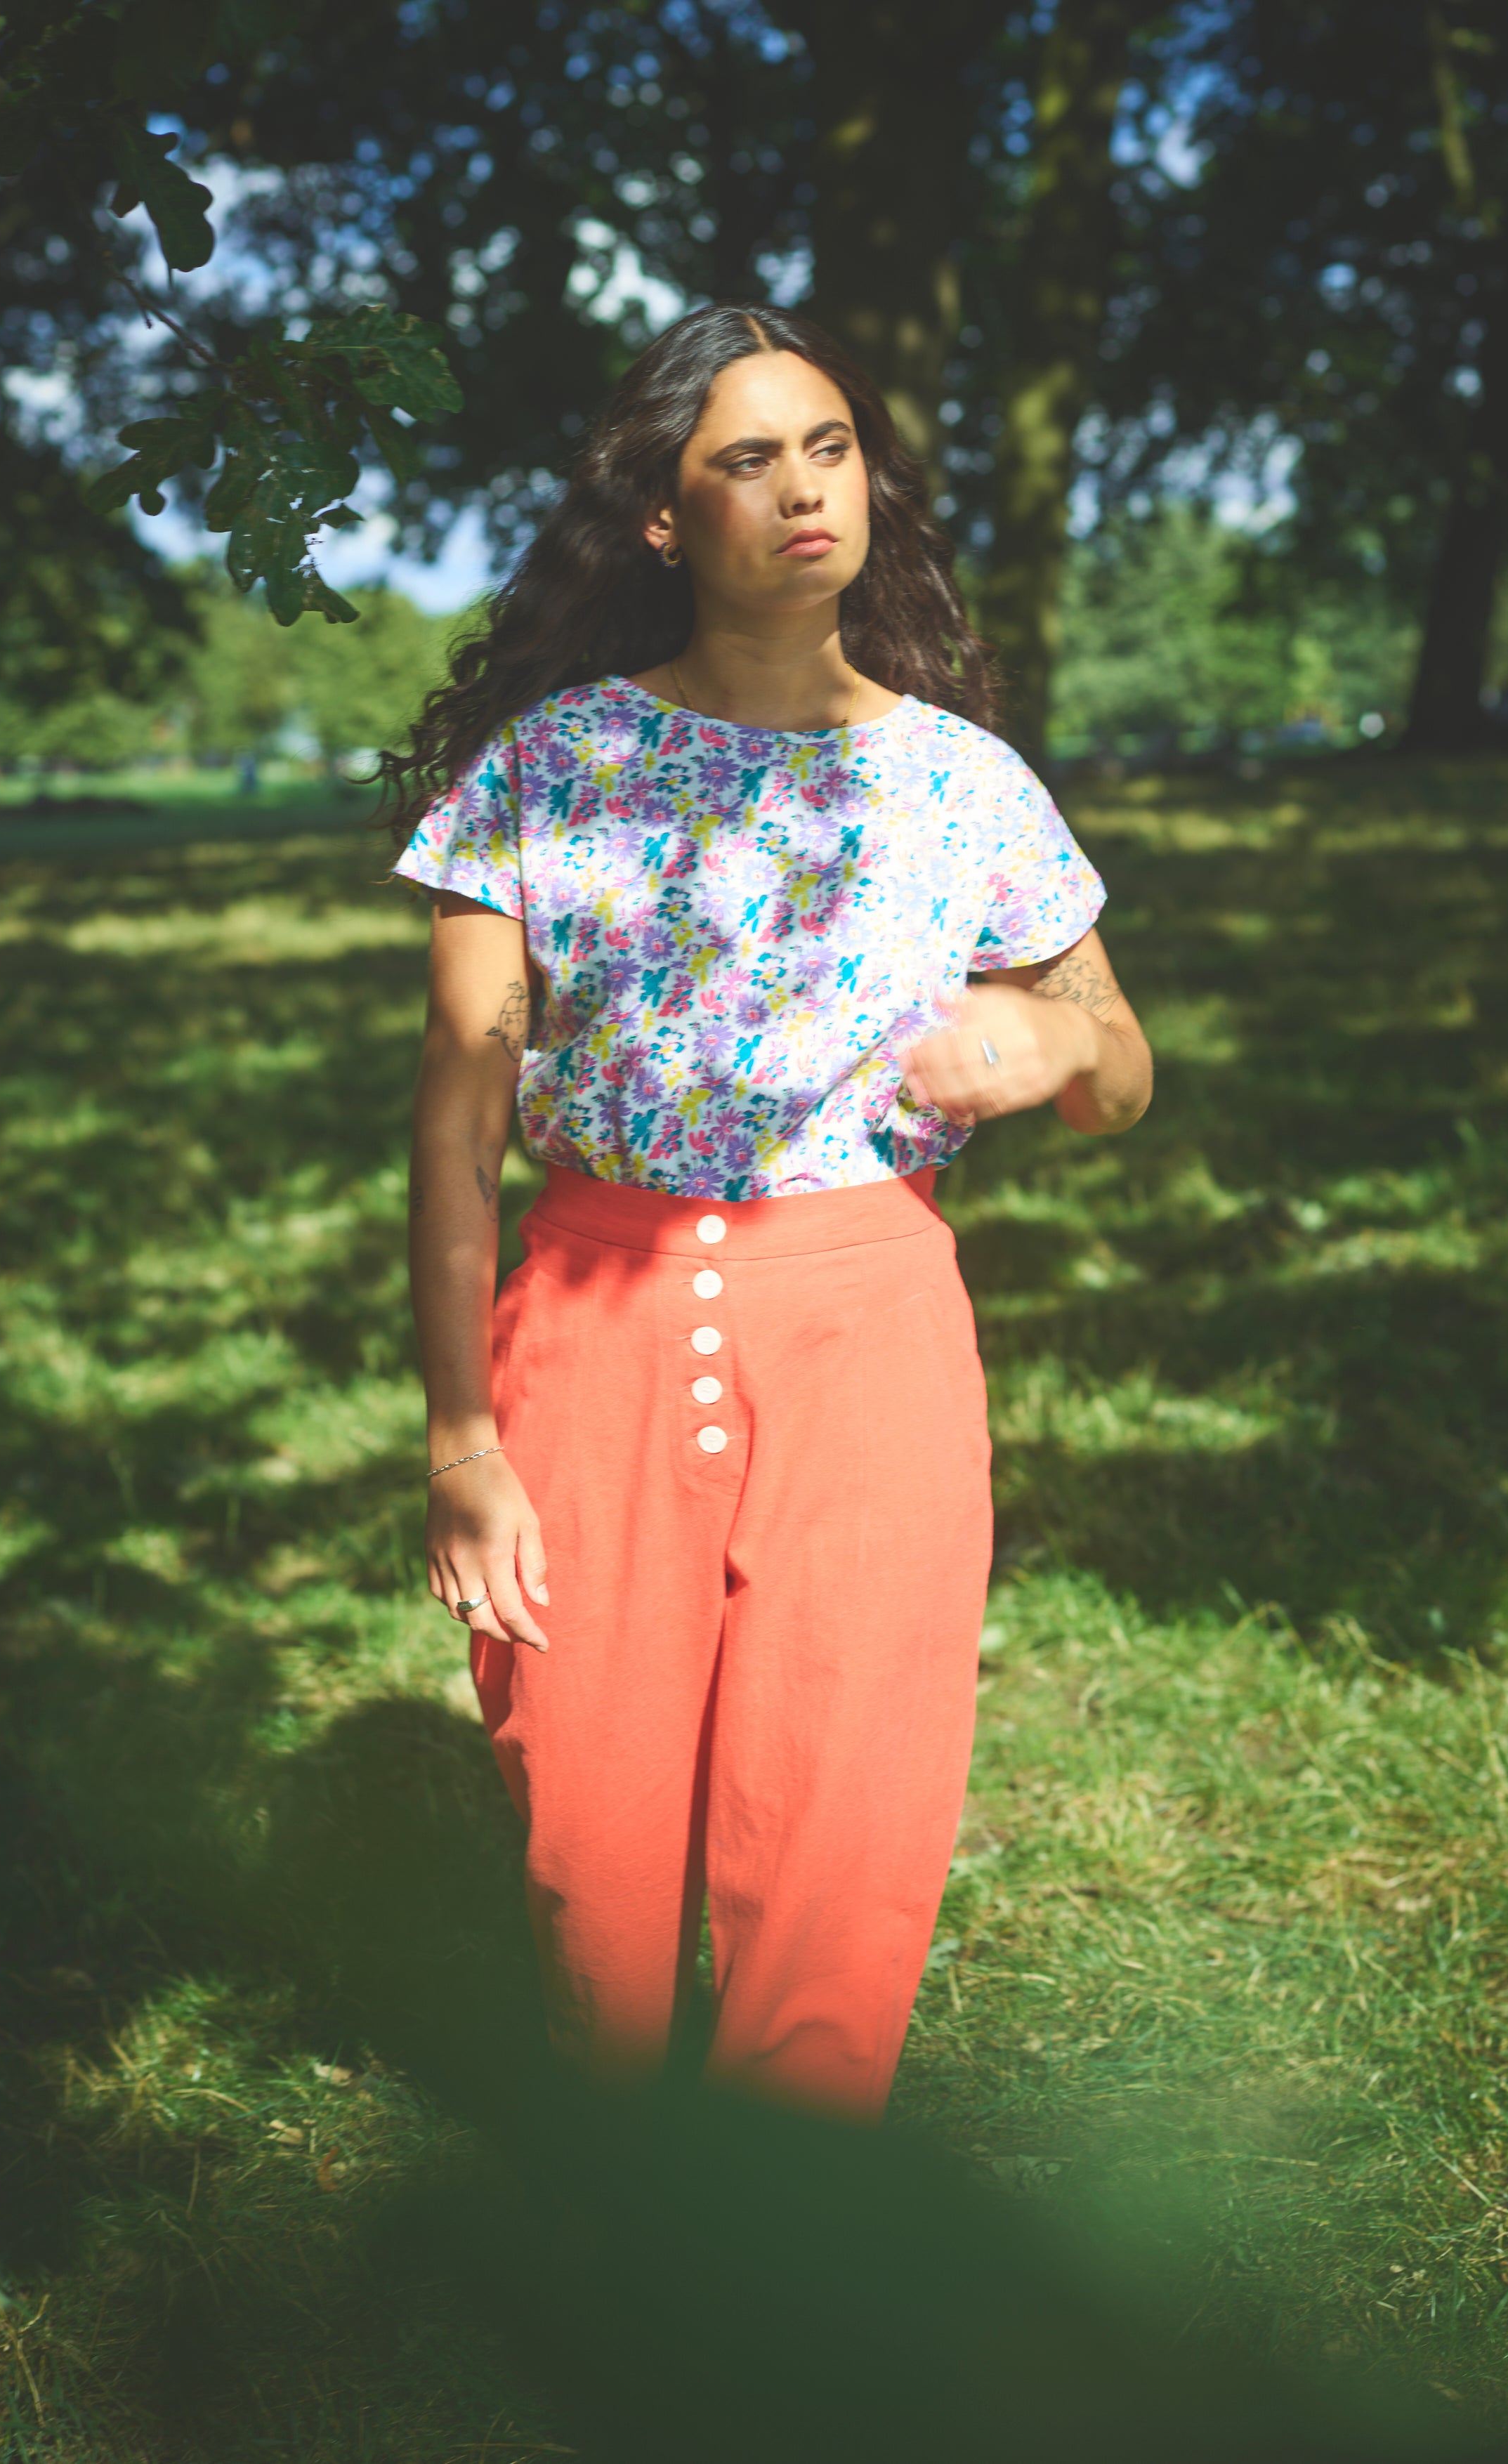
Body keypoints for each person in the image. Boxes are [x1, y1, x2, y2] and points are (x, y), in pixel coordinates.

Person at [388, 303, 1152, 2123]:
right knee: (591, 1829)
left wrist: (1049, 1035)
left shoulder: (970, 787)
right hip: (589, 1321)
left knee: (847, 1821)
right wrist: (458, 1436)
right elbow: (456, 1115)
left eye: (828, 446)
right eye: (746, 458)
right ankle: (618, 2221)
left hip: (874, 1323)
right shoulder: (549, 768)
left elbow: (1129, 1066)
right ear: (664, 515)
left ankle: (785, 2269)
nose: (803, 489)